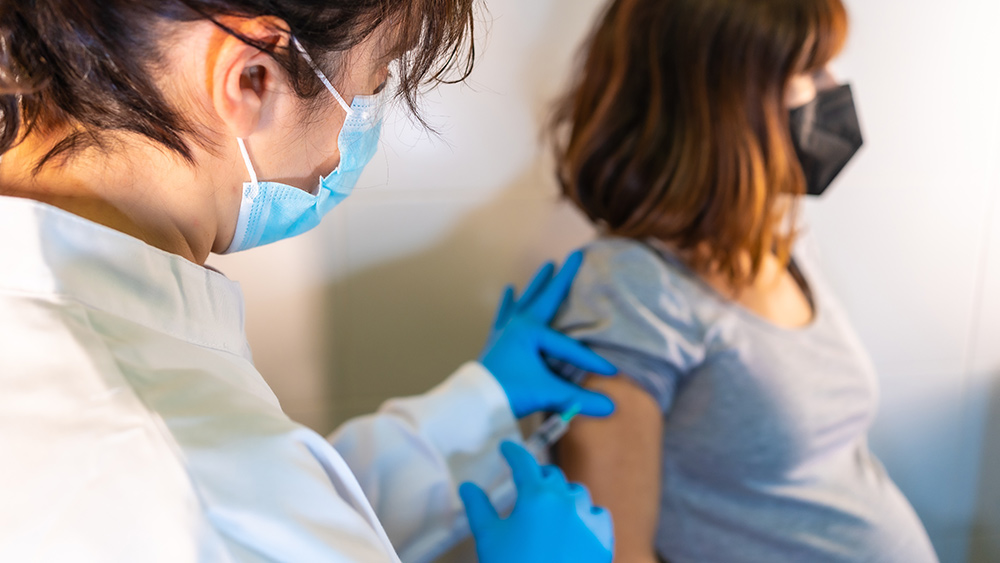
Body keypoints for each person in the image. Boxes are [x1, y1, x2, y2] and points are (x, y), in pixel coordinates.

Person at [0, 1, 616, 562]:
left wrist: (478, 408)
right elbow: (240, 515)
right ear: (252, 77)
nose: (370, 110)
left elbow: (284, 505)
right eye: (380, 76)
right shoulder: (172, 478)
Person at [547, 0, 939, 562]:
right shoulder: (629, 293)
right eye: (810, 71)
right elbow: (616, 551)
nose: (835, 88)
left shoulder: (777, 243)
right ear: (723, 101)